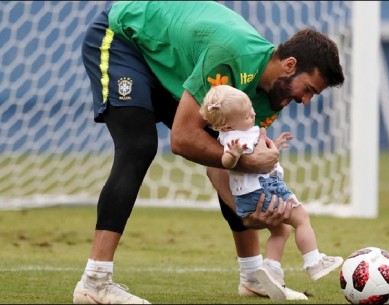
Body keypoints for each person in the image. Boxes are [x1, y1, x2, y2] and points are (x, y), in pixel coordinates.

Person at [75, 1, 345, 304]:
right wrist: (248, 163)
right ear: (290, 65)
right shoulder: (230, 57)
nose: (306, 101)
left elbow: (223, 161)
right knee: (139, 145)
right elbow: (183, 139)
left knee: (232, 155)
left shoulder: (270, 98)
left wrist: (249, 211)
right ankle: (94, 281)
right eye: (308, 89)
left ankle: (253, 275)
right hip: (124, 37)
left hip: (171, 64)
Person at [200, 85, 344, 300]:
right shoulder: (236, 140)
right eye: (247, 114)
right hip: (263, 189)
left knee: (281, 231)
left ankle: (272, 269)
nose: (253, 113)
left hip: (247, 196)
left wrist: (274, 145)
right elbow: (226, 161)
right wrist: (234, 154)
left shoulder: (230, 133)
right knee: (302, 218)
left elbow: (257, 151)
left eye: (251, 108)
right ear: (229, 124)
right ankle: (314, 262)